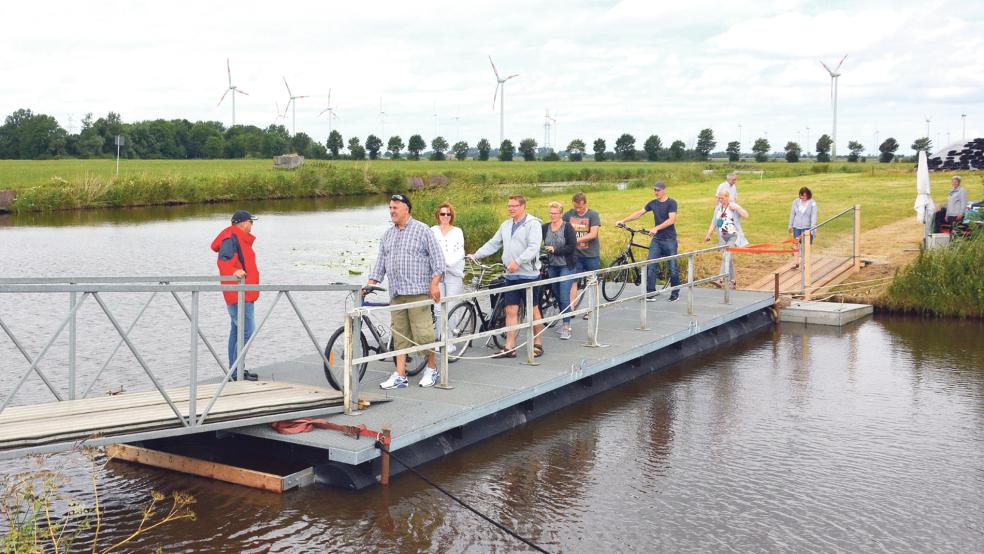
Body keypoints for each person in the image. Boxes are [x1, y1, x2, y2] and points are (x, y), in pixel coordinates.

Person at [367, 194, 446, 389]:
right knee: (399, 335)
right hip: (397, 293)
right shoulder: (387, 235)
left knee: (423, 334)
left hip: (418, 291)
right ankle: (400, 375)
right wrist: (368, 286)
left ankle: (432, 369)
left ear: (406, 209)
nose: (392, 211)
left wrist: (435, 284)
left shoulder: (422, 230)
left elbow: (439, 261)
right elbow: (380, 264)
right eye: (390, 208)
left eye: (395, 208)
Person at [469, 195, 544, 358]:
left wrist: (518, 261)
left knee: (533, 310)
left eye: (514, 206)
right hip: (511, 275)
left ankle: (538, 342)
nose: (511, 208)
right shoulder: (506, 225)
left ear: (523, 206)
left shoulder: (533, 224)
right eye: (509, 206)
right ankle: (510, 347)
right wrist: (477, 254)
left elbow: (533, 247)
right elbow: (494, 243)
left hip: (528, 275)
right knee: (510, 310)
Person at [211, 209, 260, 381]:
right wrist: (234, 271)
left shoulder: (238, 238)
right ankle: (237, 370)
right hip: (239, 293)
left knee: (237, 331)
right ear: (241, 223)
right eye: (250, 221)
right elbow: (224, 261)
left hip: (243, 292)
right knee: (248, 331)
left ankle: (235, 370)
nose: (252, 225)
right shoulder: (230, 237)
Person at [616, 181, 681, 302]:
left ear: (664, 190)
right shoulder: (653, 203)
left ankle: (675, 293)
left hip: (669, 239)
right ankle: (650, 293)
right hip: (657, 240)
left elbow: (672, 220)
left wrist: (656, 228)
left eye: (658, 190)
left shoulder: (672, 203)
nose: (656, 192)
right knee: (650, 265)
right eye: (655, 190)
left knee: (672, 267)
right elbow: (639, 213)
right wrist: (624, 220)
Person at [431, 202, 465, 353]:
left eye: (448, 214)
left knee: (451, 307)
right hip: (437, 275)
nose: (445, 216)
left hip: (453, 274)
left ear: (451, 216)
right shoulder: (432, 230)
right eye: (442, 214)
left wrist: (447, 263)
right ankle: (440, 339)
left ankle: (449, 340)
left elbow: (459, 251)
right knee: (438, 309)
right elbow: (430, 251)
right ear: (438, 215)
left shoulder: (457, 231)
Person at [563, 192, 601, 320]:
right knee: (573, 282)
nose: (577, 210)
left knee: (592, 281)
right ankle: (571, 309)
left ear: (585, 203)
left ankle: (591, 309)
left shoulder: (593, 215)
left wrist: (573, 241)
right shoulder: (569, 214)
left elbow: (593, 234)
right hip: (575, 255)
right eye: (575, 207)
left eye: (580, 207)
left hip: (591, 254)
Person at [542, 201, 577, 340]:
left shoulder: (567, 227)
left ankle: (566, 326)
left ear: (561, 214)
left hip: (566, 266)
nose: (552, 215)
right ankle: (564, 315)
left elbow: (572, 247)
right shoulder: (545, 227)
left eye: (555, 213)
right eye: (551, 213)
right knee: (556, 295)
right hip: (553, 266)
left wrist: (555, 250)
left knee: (563, 295)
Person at [704, 190, 749, 288]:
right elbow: (714, 223)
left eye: (722, 198)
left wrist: (737, 208)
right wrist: (708, 234)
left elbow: (746, 215)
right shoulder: (718, 208)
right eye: (719, 198)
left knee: (726, 256)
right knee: (729, 259)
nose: (720, 200)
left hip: (733, 236)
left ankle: (720, 279)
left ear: (727, 197)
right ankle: (733, 281)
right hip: (722, 238)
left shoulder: (733, 206)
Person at [787, 186, 818, 268]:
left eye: (804, 196)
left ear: (808, 195)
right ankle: (796, 263)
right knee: (796, 244)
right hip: (796, 227)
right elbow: (792, 214)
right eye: (801, 196)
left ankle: (805, 263)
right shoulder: (795, 202)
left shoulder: (812, 203)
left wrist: (812, 228)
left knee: (806, 246)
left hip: (807, 228)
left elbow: (813, 216)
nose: (802, 198)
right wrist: (790, 225)